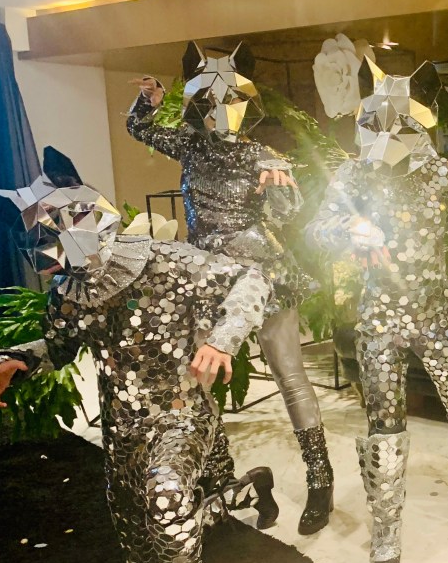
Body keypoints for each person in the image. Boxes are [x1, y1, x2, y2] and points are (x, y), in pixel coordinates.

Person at [0, 149, 272, 563]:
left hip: (181, 413)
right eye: (35, 246)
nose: (42, 260)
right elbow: (60, 346)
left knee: (167, 496)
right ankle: (247, 489)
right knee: (142, 541)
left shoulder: (167, 262)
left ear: (82, 222)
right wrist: (16, 363)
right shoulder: (68, 291)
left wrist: (223, 339)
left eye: (47, 241)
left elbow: (251, 277)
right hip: (122, 426)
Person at [127, 41, 334, 535]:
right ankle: (218, 477)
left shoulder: (263, 155)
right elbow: (139, 128)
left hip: (263, 275)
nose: (219, 110)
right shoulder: (190, 146)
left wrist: (276, 190)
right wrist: (150, 101)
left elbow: (290, 216)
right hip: (206, 278)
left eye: (230, 101)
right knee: (196, 382)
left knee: (289, 375)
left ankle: (320, 480)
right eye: (209, 101)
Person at [307, 58, 448, 563]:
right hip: (379, 317)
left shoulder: (443, 175)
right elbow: (317, 229)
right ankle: (386, 524)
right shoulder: (354, 173)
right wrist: (351, 231)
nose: (386, 135)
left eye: (399, 124)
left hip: (435, 311)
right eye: (375, 124)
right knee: (383, 420)